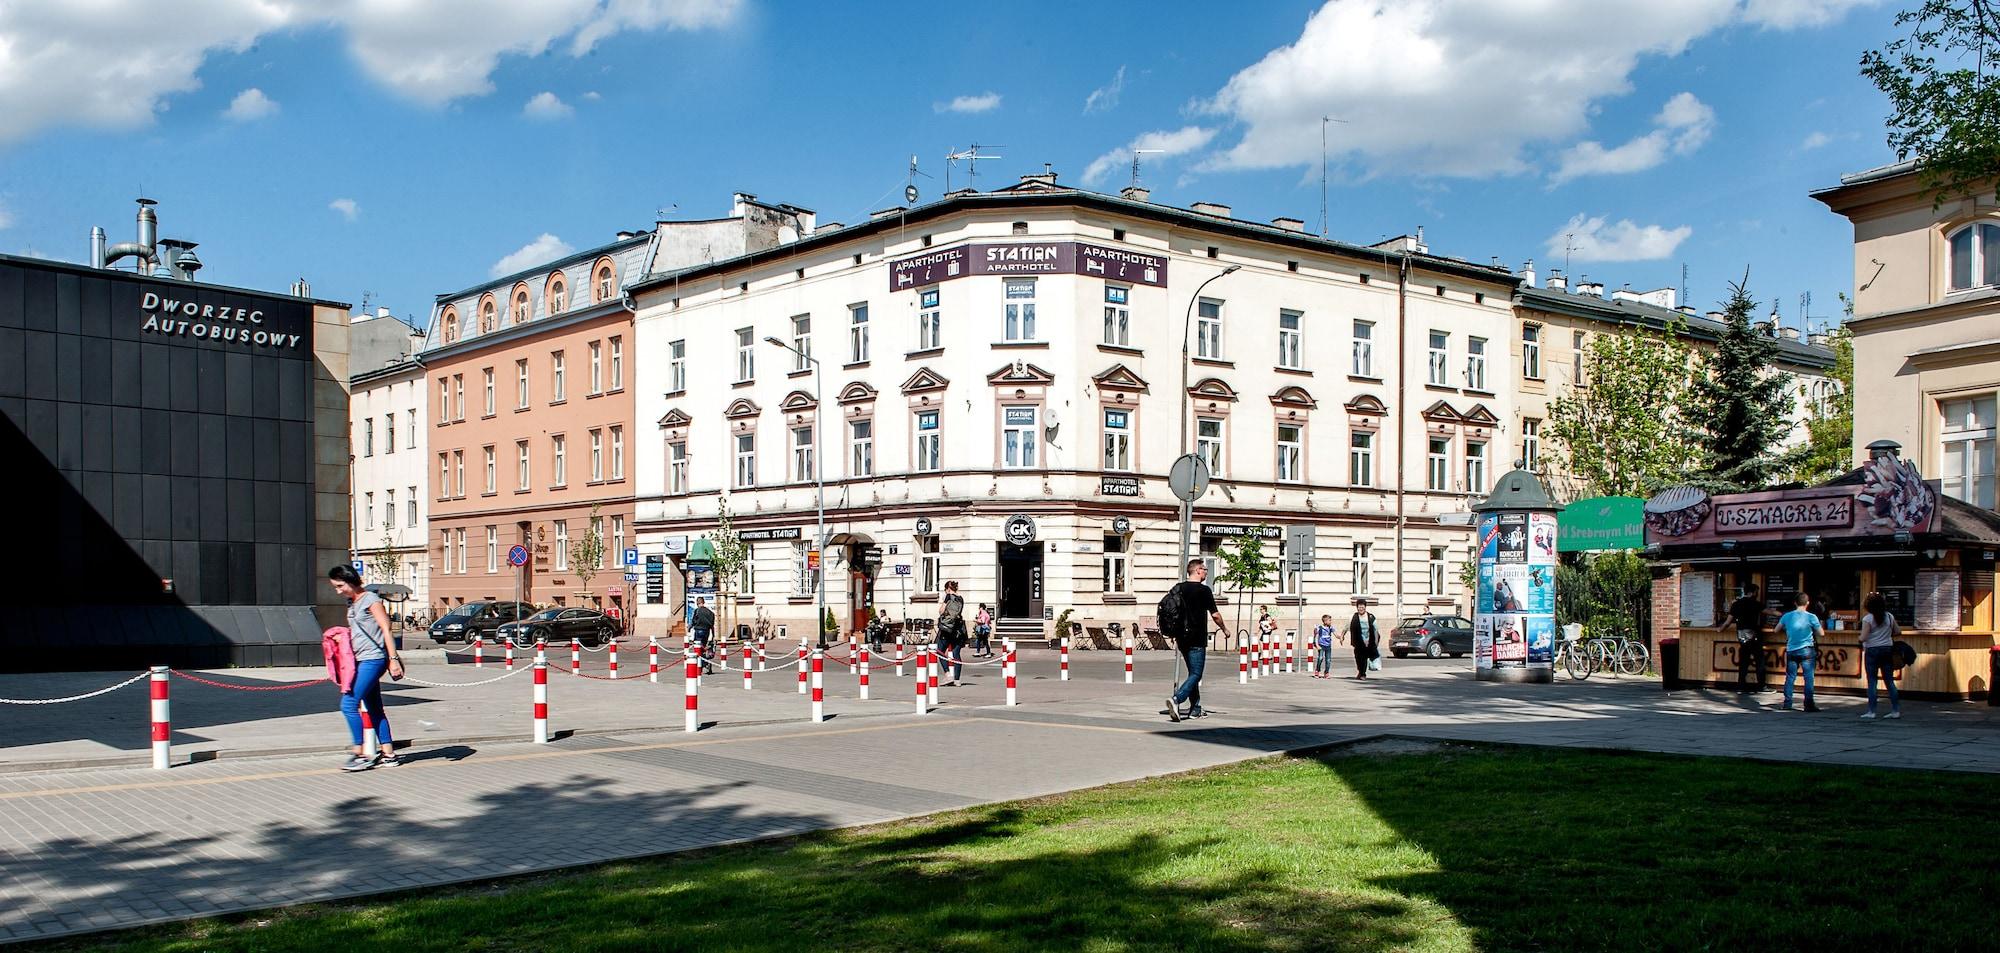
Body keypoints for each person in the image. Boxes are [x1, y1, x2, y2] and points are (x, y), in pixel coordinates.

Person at [328, 565, 403, 771]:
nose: (338, 590)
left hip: (373, 659)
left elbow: (386, 629)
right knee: (375, 707)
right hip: (360, 660)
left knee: (348, 703)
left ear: (350, 581)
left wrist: (393, 659)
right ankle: (389, 754)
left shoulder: (370, 599)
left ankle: (360, 753)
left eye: (340, 586)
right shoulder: (352, 603)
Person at [1164, 559, 1226, 722]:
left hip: (1181, 638)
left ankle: (1195, 709)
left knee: (1193, 674)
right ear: (1198, 570)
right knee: (1197, 674)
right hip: (1197, 637)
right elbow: (1215, 615)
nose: (1206, 572)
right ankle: (1177, 699)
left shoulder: (1178, 588)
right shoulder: (1204, 590)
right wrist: (1225, 629)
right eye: (1205, 569)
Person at [1858, 592, 1902, 720]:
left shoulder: (1868, 619)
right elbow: (1898, 631)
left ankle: (1871, 711)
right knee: (1889, 681)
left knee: (1872, 681)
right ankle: (1895, 710)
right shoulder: (1889, 616)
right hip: (1887, 649)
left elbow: (1864, 636)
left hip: (1872, 650)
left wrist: (1859, 638)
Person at [1778, 590, 1823, 712]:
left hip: (1791, 649)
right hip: (1807, 649)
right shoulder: (1811, 617)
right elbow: (1821, 633)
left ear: (1795, 603)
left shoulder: (1786, 616)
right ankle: (1809, 704)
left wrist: (1788, 630)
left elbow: (1776, 630)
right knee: (1808, 678)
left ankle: (1787, 703)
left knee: (1790, 677)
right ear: (1807, 603)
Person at [1726, 586, 1769, 692]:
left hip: (1742, 636)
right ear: (1753, 592)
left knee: (1744, 662)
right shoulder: (1755, 604)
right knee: (1759, 661)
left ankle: (1741, 686)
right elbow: (1771, 612)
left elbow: (1728, 621)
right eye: (1756, 592)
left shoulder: (1736, 604)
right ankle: (1761, 686)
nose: (1757, 594)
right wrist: (1784, 614)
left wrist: (1719, 629)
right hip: (1755, 636)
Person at [938, 581, 966, 685]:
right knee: (956, 654)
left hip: (947, 629)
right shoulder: (961, 599)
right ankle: (957, 680)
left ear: (948, 589)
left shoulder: (948, 596)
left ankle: (948, 674)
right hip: (958, 629)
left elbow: (941, 611)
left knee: (939, 651)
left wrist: (943, 604)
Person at [1346, 598, 1381, 679]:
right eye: (1359, 607)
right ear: (1357, 607)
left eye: (1362, 607)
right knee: (1358, 657)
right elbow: (1347, 626)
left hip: (1369, 641)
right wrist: (1342, 636)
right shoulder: (1353, 617)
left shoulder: (1371, 617)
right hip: (1358, 641)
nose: (1361, 609)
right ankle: (1360, 671)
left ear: (1365, 607)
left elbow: (1376, 630)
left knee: (1364, 657)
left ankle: (1363, 674)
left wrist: (1375, 642)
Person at [689, 597, 717, 674]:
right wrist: (713, 635)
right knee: (703, 648)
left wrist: (689, 628)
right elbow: (712, 625)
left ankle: (703, 664)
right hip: (707, 632)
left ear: (697, 603)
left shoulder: (697, 611)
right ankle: (704, 663)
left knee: (698, 649)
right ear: (703, 602)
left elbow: (693, 621)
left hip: (698, 631)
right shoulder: (710, 612)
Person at [1312, 614, 1336, 678]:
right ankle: (1317, 671)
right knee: (1320, 658)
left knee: (1328, 660)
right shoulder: (1320, 628)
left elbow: (1336, 634)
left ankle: (1326, 672)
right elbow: (1316, 636)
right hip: (1321, 645)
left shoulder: (1331, 628)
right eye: (1329, 620)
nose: (1330, 622)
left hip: (1328, 646)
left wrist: (1341, 637)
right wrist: (1317, 645)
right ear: (1325, 621)